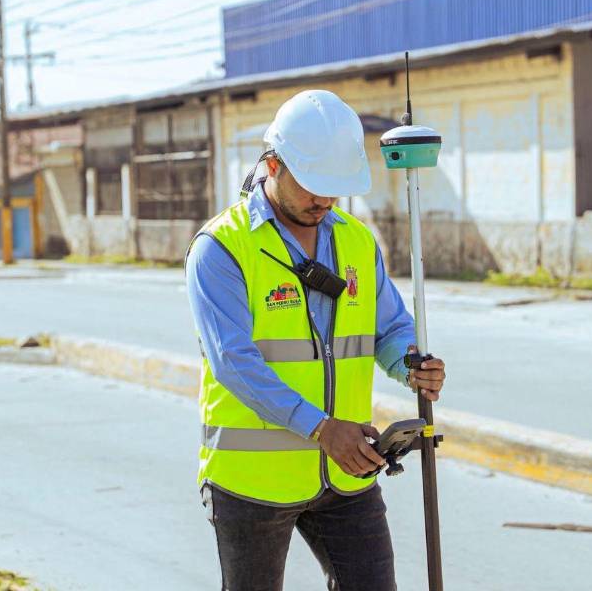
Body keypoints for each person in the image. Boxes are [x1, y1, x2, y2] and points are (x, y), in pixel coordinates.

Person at [185, 89, 446, 591]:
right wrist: (322, 428)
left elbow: (388, 326)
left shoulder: (354, 239)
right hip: (253, 483)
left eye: (335, 188)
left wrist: (410, 361)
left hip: (346, 476)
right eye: (312, 186)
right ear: (274, 164)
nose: (323, 200)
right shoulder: (220, 249)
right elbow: (234, 363)